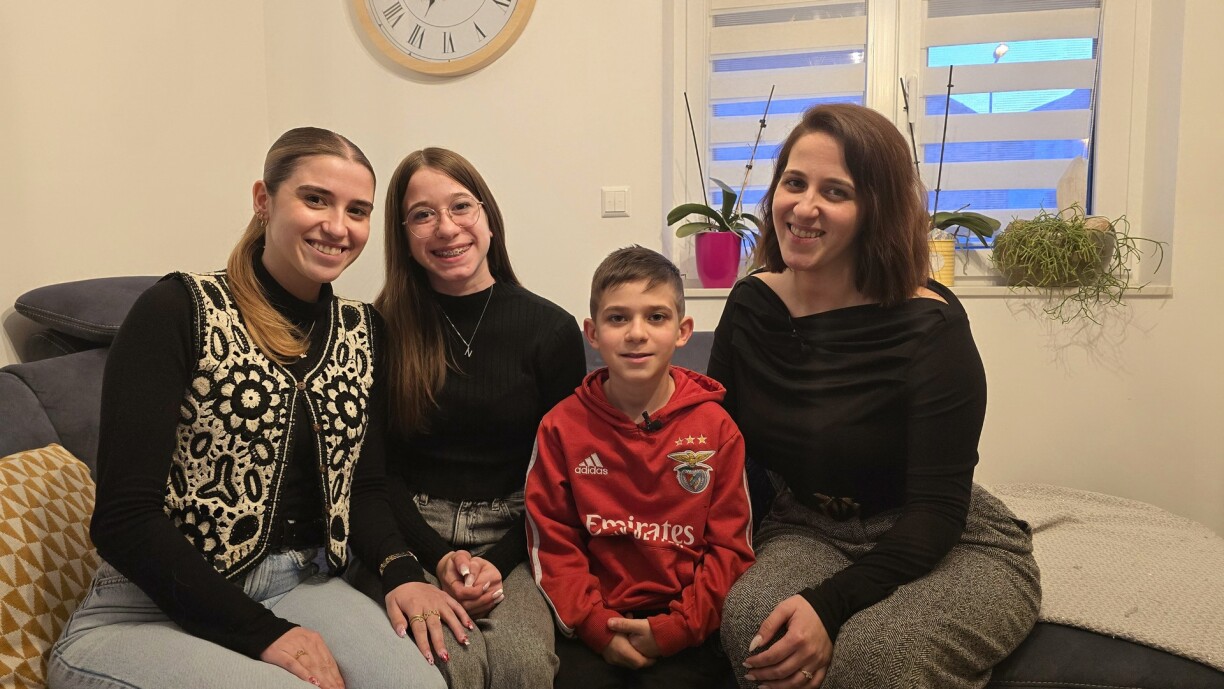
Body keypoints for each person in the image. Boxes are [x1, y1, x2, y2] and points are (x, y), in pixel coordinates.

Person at [48, 127, 462, 689]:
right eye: (315, 199)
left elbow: (362, 488)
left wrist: (403, 572)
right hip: (142, 606)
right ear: (263, 201)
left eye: (358, 210)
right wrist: (264, 634)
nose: (338, 227)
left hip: (300, 581)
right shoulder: (177, 308)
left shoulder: (362, 331)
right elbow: (124, 519)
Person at [710, 104, 1041, 689]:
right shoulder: (750, 304)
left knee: (877, 657)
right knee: (757, 629)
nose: (804, 207)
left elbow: (938, 512)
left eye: (835, 191)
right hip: (805, 526)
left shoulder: (930, 326)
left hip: (941, 537)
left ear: (876, 211)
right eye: (794, 182)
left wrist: (830, 606)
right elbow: (725, 451)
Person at [366, 147, 587, 688]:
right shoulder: (378, 329)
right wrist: (439, 559)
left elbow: (562, 476)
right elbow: (373, 474)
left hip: (517, 532)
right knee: (446, 663)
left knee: (522, 664)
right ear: (404, 235)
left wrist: (501, 557)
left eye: (461, 206)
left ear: (488, 217)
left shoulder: (551, 329)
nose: (446, 228)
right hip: (413, 531)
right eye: (422, 214)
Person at [524, 246, 755, 689]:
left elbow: (732, 550)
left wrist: (677, 629)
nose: (636, 333)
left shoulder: (717, 429)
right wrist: (595, 625)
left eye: (656, 317)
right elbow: (552, 545)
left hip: (691, 628)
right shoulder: (559, 428)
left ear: (683, 331)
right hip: (593, 628)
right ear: (592, 332)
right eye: (617, 318)